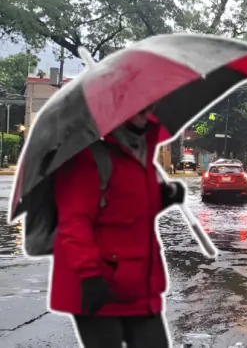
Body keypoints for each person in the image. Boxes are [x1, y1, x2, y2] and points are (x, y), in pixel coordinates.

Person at [50, 109, 186, 348]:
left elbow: (128, 214)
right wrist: (89, 276)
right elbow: (74, 223)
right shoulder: (89, 160)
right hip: (98, 285)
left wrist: (163, 198)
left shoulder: (140, 158)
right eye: (138, 107)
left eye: (149, 105)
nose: (147, 110)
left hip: (137, 285)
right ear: (117, 112)